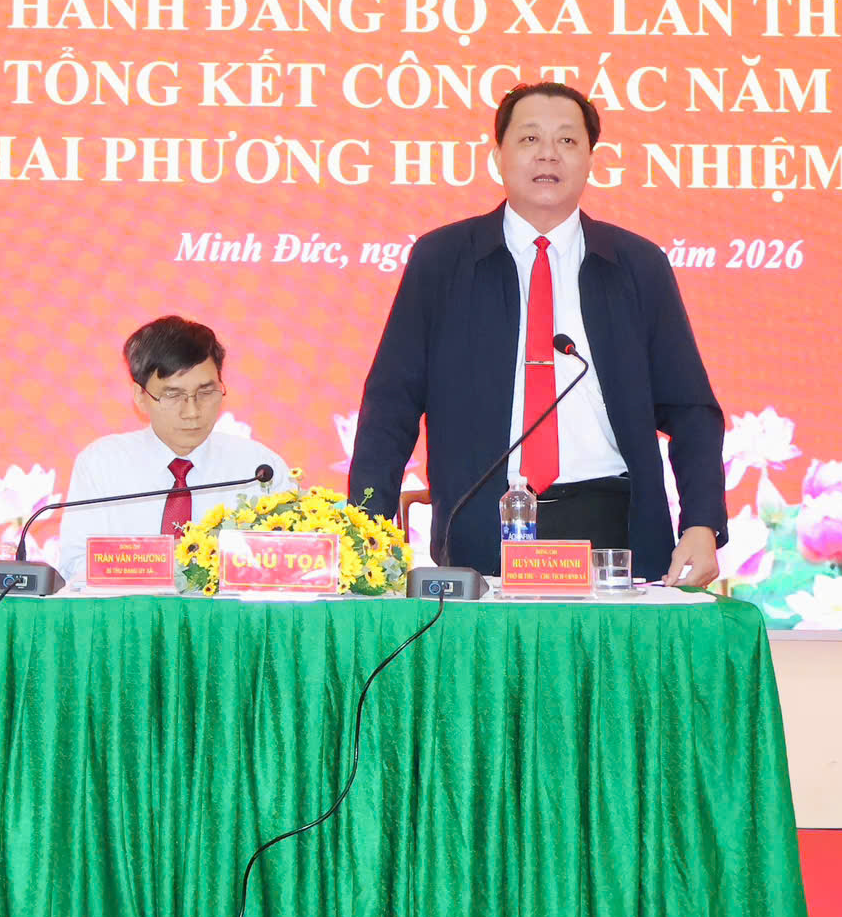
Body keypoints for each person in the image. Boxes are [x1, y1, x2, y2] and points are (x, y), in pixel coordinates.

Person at [348, 82, 727, 585]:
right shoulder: (442, 260)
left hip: (612, 530)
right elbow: (391, 405)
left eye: (567, 140)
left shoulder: (638, 265)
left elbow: (691, 409)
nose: (548, 154)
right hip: (481, 526)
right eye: (529, 139)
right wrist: (365, 532)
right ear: (497, 157)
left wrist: (701, 522)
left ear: (591, 160)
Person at [56, 316, 292, 586]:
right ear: (140, 396)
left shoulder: (260, 469)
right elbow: (75, 568)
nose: (192, 412)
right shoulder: (102, 464)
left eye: (206, 392)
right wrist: (153, 566)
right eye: (173, 395)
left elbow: (293, 565)